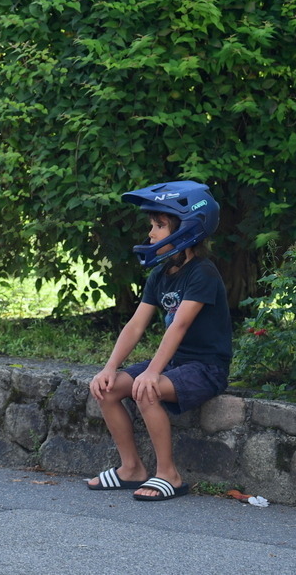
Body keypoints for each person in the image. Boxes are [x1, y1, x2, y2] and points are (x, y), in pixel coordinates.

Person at [87, 180, 231, 501]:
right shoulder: (160, 275)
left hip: (206, 368)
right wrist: (110, 367)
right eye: (151, 225)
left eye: (159, 225)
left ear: (188, 228)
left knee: (146, 390)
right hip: (176, 365)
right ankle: (131, 469)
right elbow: (136, 325)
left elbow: (177, 327)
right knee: (107, 390)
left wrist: (152, 372)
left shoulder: (202, 273)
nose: (151, 234)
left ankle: (169, 474)